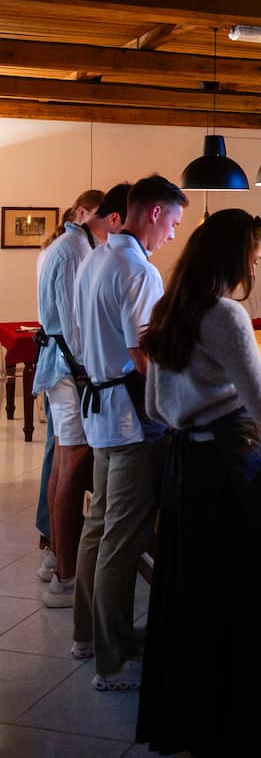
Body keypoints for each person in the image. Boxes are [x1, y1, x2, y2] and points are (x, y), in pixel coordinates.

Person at [136, 209, 261, 756]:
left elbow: (154, 405)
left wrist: (204, 400)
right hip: (226, 465)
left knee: (195, 591)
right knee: (239, 590)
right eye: (254, 258)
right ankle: (239, 721)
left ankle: (192, 716)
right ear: (234, 257)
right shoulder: (225, 314)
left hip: (186, 464)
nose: (254, 268)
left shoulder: (169, 306)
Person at [72, 175, 188, 690]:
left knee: (98, 527)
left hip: (100, 409)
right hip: (130, 420)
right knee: (121, 540)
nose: (172, 235)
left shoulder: (96, 257)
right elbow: (145, 357)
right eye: (174, 223)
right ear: (155, 212)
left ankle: (87, 636)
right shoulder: (138, 270)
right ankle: (113, 661)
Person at [32, 188, 116, 589]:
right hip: (67, 369)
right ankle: (66, 574)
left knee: (62, 463)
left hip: (61, 365)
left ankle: (56, 555)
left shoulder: (71, 245)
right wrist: (94, 368)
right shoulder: (72, 249)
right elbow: (72, 324)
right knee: (72, 462)